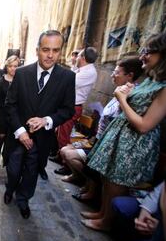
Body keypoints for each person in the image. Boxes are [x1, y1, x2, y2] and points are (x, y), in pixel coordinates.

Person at [82, 32, 166, 231]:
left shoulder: (163, 88)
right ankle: (103, 212)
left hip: (134, 144)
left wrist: (121, 99)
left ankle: (107, 221)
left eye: (149, 52)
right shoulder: (149, 81)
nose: (143, 55)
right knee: (107, 178)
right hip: (121, 137)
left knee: (116, 182)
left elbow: (144, 125)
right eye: (143, 50)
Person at [3, 30, 75, 219]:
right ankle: (10, 189)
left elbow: (68, 110)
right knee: (13, 169)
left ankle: (23, 199)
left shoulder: (67, 77)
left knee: (31, 172)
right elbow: (10, 104)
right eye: (45, 49)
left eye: (55, 50)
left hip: (42, 140)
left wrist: (46, 121)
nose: (50, 55)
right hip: (19, 137)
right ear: (37, 50)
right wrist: (20, 131)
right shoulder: (21, 73)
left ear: (60, 51)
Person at [62, 56, 144, 201]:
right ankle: (87, 185)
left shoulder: (130, 95)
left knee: (87, 163)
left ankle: (92, 191)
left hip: (108, 143)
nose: (113, 75)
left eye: (117, 72)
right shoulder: (119, 91)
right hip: (99, 140)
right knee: (67, 151)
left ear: (129, 75)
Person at [54, 47, 98, 176]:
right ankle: (59, 155)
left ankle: (66, 165)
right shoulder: (82, 69)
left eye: (77, 56)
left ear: (83, 58)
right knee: (60, 132)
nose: (75, 58)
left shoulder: (89, 72)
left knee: (64, 135)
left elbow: (68, 82)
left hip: (73, 106)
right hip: (69, 105)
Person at [0, 55, 19, 166]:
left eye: (16, 66)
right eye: (11, 66)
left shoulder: (20, 81)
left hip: (15, 115)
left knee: (10, 138)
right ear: (7, 67)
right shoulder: (0, 81)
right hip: (2, 114)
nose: (13, 68)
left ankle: (6, 155)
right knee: (1, 136)